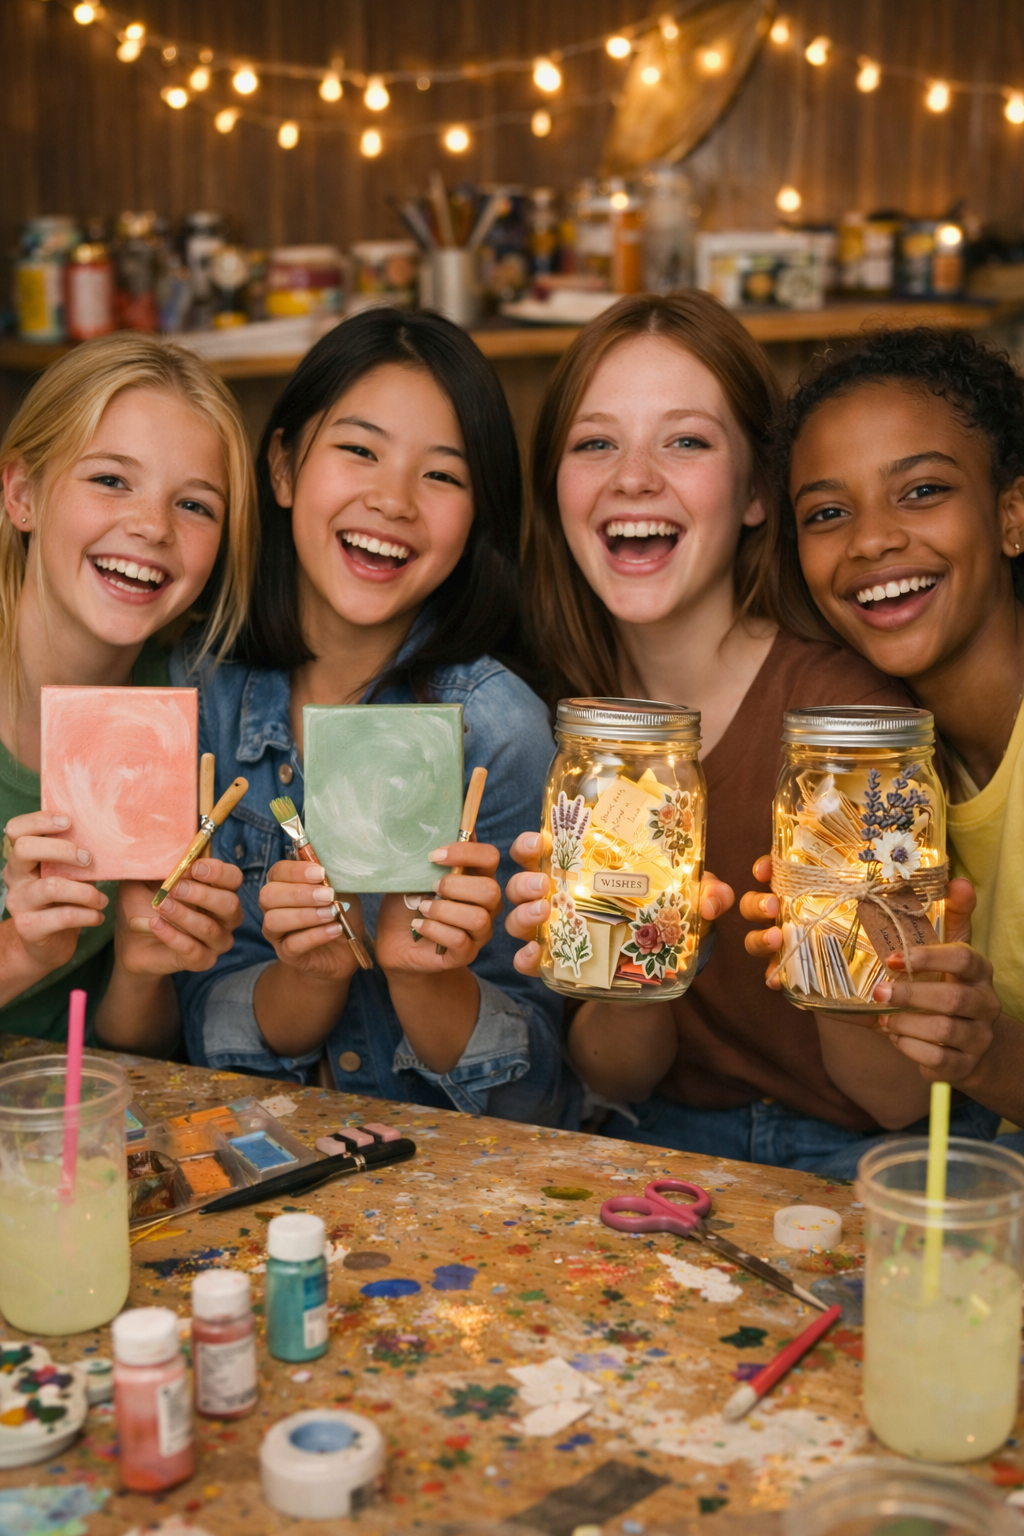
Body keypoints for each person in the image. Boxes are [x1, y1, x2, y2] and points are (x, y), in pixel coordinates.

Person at [502, 292, 996, 1178]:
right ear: (555, 486)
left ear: (760, 492)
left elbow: (895, 1099)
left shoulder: (847, 736)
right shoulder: (558, 728)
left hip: (857, 1154)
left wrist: (842, 985)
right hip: (654, 1147)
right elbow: (614, 1073)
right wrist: (633, 969)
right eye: (594, 443)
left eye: (686, 440)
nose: (634, 477)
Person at [171, 307, 573, 1124]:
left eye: (443, 475)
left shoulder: (497, 731)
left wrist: (427, 974)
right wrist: (310, 973)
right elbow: (197, 1031)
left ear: (477, 518)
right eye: (359, 450)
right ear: (282, 468)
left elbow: (539, 1091)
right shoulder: (200, 695)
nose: (392, 500)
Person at [743, 326, 1024, 1129]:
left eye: (923, 491)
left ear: (1012, 515)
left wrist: (990, 1051)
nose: (871, 539)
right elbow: (897, 1101)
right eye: (828, 512)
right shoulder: (873, 778)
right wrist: (842, 982)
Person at [0, 333, 256, 1052]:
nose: (151, 526)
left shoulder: (190, 717)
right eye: (111, 480)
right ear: (22, 494)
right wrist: (23, 950)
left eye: (196, 505)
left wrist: (144, 968)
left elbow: (130, 1053)